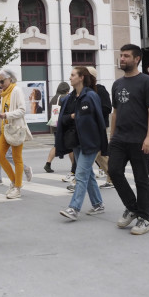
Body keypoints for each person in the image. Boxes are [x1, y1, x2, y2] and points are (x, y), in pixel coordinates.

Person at [107, 44, 149, 236]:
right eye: (121, 55)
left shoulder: (146, 82)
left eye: (126, 56)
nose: (122, 59)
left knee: (141, 179)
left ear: (136, 59)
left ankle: (144, 218)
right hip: (119, 138)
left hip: (140, 139)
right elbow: (115, 112)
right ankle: (132, 208)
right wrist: (112, 136)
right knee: (114, 171)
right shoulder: (117, 84)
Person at [57, 67, 108, 221]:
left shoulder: (91, 96)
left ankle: (74, 208)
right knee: (88, 174)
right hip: (75, 141)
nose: (70, 77)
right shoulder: (69, 98)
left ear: (81, 77)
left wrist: (102, 143)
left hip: (90, 141)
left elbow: (98, 119)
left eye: (73, 75)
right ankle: (98, 204)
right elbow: (62, 118)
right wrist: (72, 116)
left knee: (80, 174)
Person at [0, 68, 34, 199]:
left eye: (2, 81)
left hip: (16, 129)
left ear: (10, 79)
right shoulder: (4, 93)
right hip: (5, 129)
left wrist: (6, 115)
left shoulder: (16, 90)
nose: (0, 84)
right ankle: (14, 181)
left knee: (17, 158)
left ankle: (17, 187)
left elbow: (22, 110)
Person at [0, 84, 32, 186]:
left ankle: (21, 177)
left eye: (0, 86)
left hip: (12, 129)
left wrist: (6, 115)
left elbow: (21, 110)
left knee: (12, 156)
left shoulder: (15, 92)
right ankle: (1, 178)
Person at [88, 66, 114, 189]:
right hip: (86, 128)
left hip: (98, 126)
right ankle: (113, 177)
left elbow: (107, 108)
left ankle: (114, 177)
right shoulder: (82, 91)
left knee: (100, 154)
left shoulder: (100, 90)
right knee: (97, 155)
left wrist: (91, 113)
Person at [44, 82, 73, 173]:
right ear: (67, 90)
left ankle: (48, 164)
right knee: (70, 146)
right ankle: (74, 166)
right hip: (63, 125)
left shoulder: (53, 98)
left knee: (57, 145)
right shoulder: (65, 98)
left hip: (55, 125)